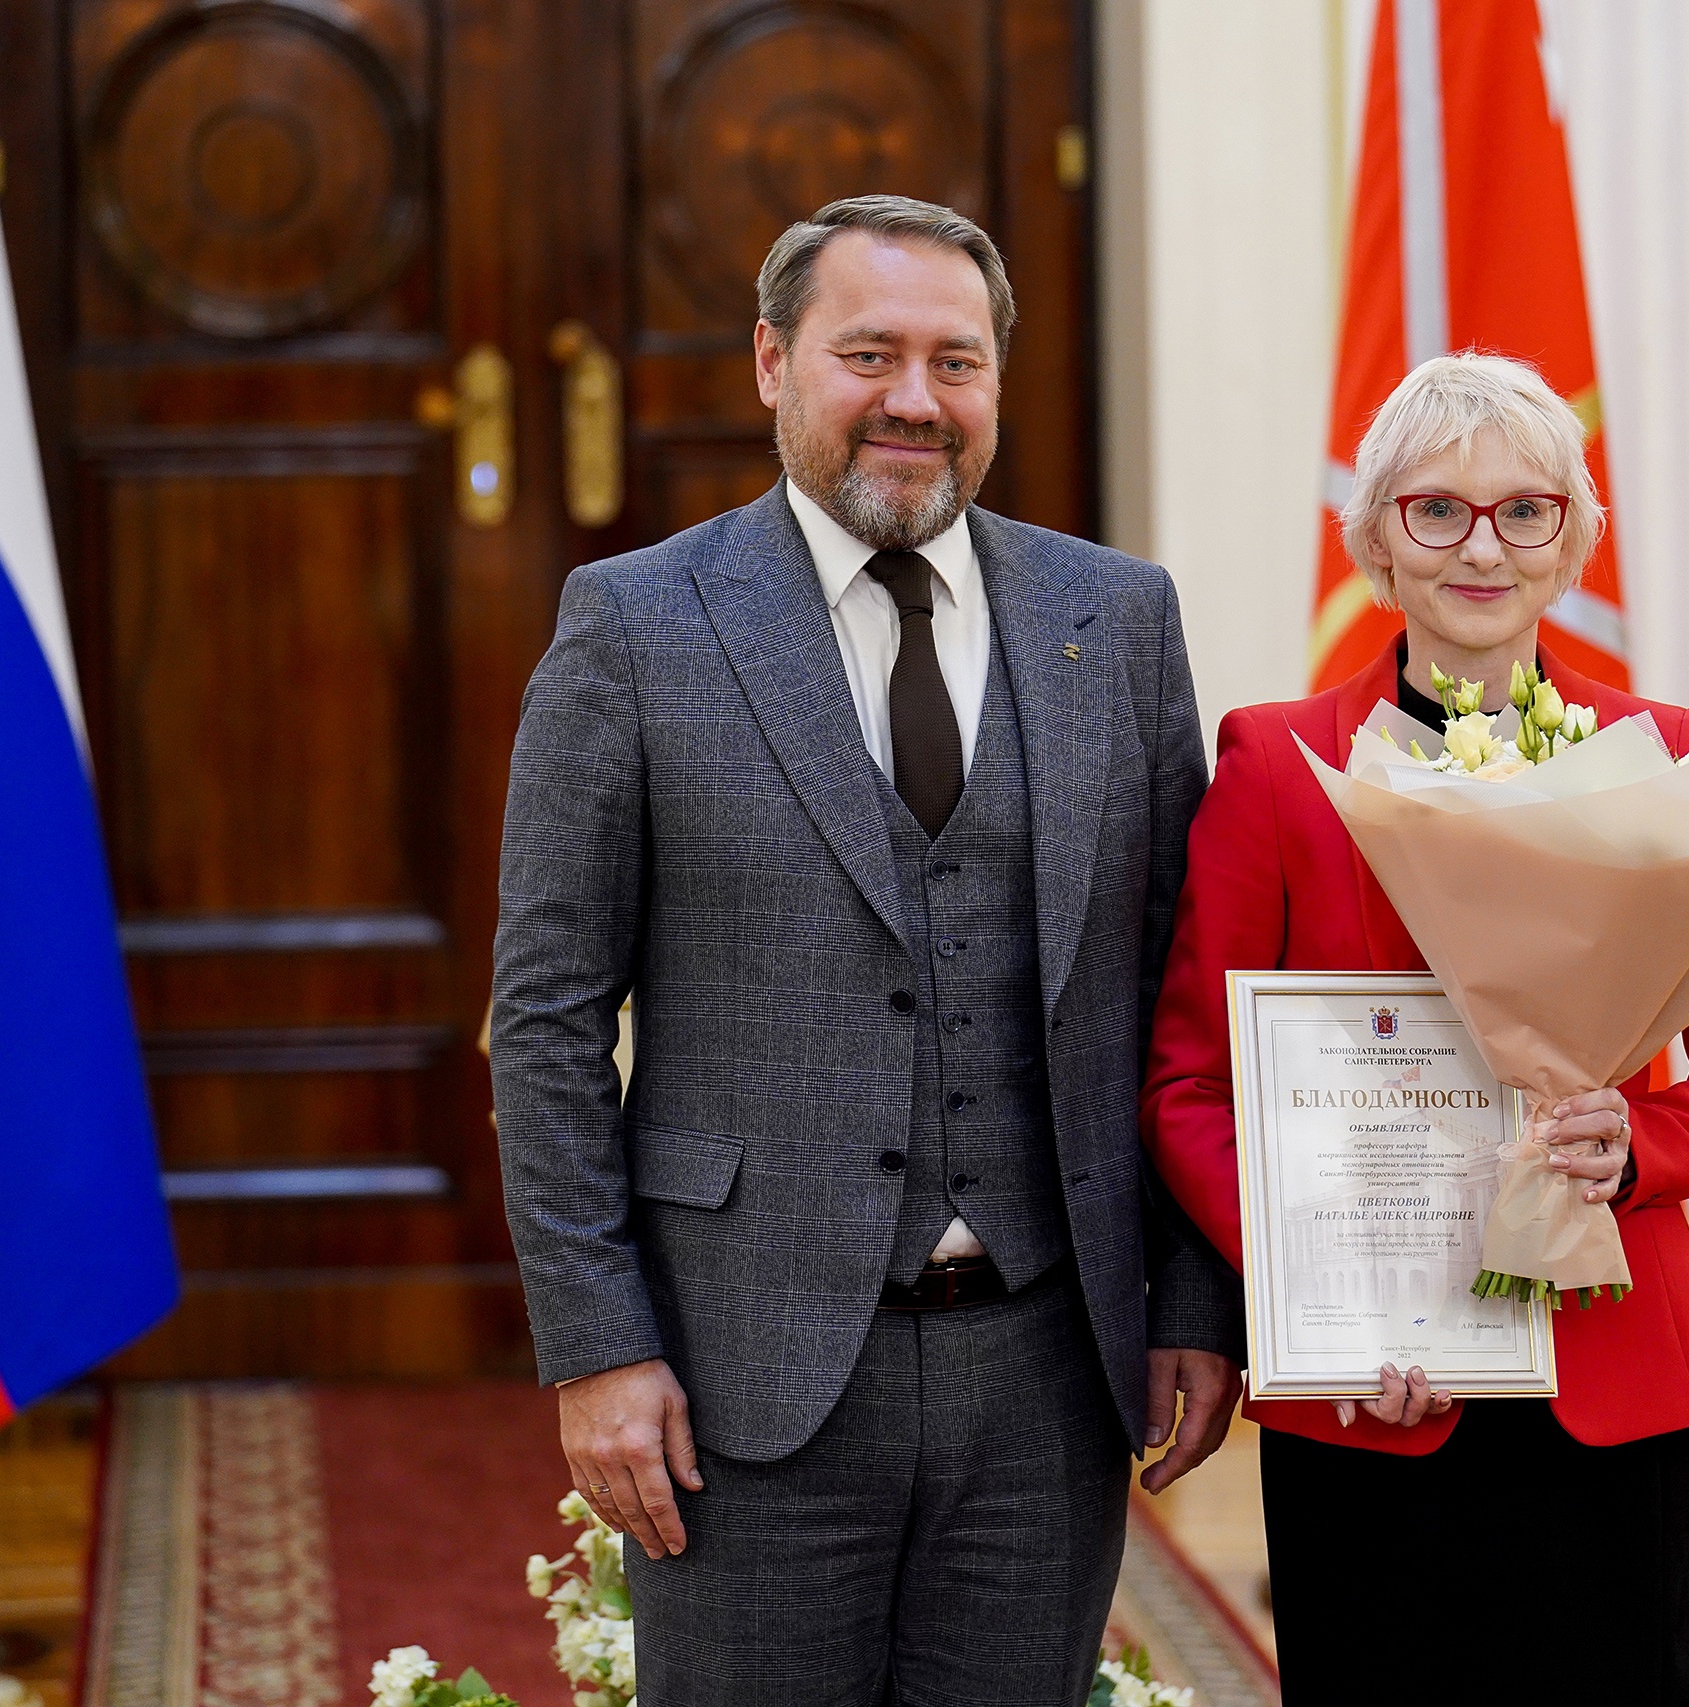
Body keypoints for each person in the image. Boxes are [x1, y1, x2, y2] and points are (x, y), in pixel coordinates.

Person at [491, 194, 1244, 1707]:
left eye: (956, 362)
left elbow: (1180, 996)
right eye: (870, 352)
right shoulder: (636, 627)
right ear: (773, 363)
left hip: (1049, 1374)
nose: (916, 399)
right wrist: (597, 1348)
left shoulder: (1120, 617)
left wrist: (1197, 1304)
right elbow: (549, 1021)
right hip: (739, 1371)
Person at [1140, 352, 1689, 1703]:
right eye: (1436, 509)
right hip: (1377, 1389)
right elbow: (1189, 1086)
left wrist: (1637, 1146)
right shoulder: (1281, 764)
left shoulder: (1665, 756)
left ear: (1573, 537)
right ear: (1376, 535)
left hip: (1624, 1385)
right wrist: (1319, 1291)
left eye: (1524, 509)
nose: (1480, 545)